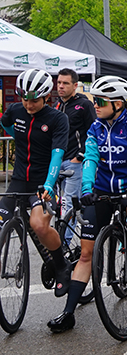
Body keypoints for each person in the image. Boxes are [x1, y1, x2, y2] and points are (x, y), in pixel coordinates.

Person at [48, 75, 127, 333]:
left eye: (100, 101)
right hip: (101, 190)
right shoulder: (95, 128)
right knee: (86, 253)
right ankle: (68, 313)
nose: (96, 106)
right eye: (95, 100)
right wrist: (87, 189)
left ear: (118, 104)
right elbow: (90, 159)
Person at [0, 69, 71, 298]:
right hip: (19, 180)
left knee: (39, 225)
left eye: (34, 100)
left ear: (46, 96)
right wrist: (17, 136)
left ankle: (61, 266)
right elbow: (6, 124)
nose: (29, 105)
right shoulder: (16, 110)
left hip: (43, 181)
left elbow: (57, 155)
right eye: (25, 99)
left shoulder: (57, 118)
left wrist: (49, 185)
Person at [55, 68, 96, 225]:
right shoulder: (58, 105)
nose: (61, 86)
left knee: (69, 203)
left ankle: (65, 239)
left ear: (75, 85)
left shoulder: (84, 104)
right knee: (55, 203)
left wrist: (80, 155)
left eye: (65, 83)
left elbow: (94, 132)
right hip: (57, 160)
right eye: (59, 82)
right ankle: (56, 234)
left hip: (75, 162)